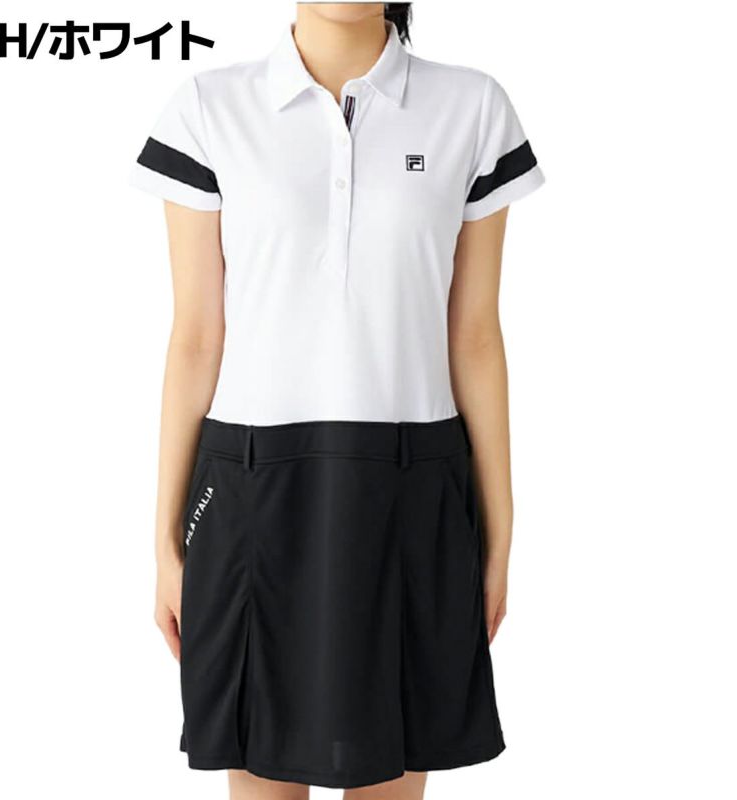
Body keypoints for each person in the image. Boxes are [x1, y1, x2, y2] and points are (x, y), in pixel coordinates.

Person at [129, 3, 545, 798]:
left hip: (412, 488)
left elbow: (475, 338)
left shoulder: (472, 107)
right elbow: (196, 339)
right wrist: (163, 544)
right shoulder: (209, 108)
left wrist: (499, 538)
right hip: (250, 492)